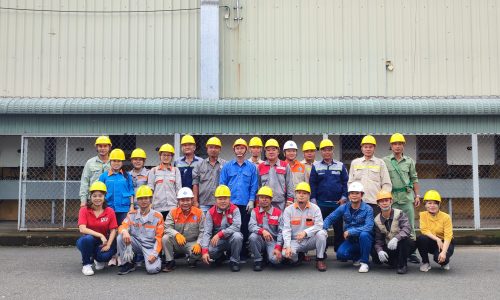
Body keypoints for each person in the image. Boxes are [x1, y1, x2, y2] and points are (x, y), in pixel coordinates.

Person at [383, 133, 421, 264]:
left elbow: (414, 179)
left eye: (400, 144)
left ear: (403, 145)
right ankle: (392, 251)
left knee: (410, 225)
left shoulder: (409, 161)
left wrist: (417, 195)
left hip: (406, 198)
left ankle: (412, 253)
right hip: (392, 198)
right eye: (395, 144)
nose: (397, 146)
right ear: (391, 146)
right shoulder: (385, 161)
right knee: (392, 225)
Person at [219, 138, 258, 262]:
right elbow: (222, 185)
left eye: (242, 148)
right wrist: (224, 202)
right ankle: (231, 252)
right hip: (231, 204)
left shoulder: (252, 167)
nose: (239, 150)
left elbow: (254, 185)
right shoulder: (227, 167)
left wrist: (251, 200)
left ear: (246, 150)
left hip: (245, 204)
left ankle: (243, 254)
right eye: (237, 148)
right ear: (234, 150)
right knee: (230, 228)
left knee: (244, 228)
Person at [323, 182, 374, 273]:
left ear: (361, 195)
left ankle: (365, 262)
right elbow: (330, 218)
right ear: (349, 195)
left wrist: (351, 232)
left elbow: (369, 227)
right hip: (351, 240)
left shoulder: (368, 209)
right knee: (341, 255)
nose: (354, 195)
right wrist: (323, 229)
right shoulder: (344, 207)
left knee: (364, 234)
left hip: (364, 239)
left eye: (357, 193)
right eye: (351, 193)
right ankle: (358, 256)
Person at [309, 138, 349, 253]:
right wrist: (313, 199)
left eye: (329, 150)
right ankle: (322, 251)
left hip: (337, 203)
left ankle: (339, 250)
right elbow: (313, 184)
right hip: (320, 203)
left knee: (338, 228)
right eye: (324, 150)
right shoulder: (316, 166)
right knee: (322, 228)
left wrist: (344, 198)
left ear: (332, 151)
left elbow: (345, 183)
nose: (327, 152)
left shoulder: (340, 165)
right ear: (321, 152)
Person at [116, 185, 164, 275]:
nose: (143, 201)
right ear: (137, 200)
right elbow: (122, 226)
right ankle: (127, 263)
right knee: (120, 237)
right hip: (136, 243)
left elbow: (159, 238)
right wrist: (125, 231)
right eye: (140, 198)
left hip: (150, 246)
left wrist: (154, 254)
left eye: (146, 198)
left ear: (150, 199)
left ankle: (159, 258)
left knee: (153, 269)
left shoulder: (158, 216)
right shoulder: (132, 214)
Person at [282, 182, 328, 272]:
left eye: (304, 193)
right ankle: (299, 257)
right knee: (285, 254)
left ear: (309, 195)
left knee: (322, 234)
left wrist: (306, 232)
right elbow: (286, 229)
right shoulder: (288, 210)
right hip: (295, 241)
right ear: (295, 194)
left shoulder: (315, 208)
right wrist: (287, 246)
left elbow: (319, 225)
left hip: (310, 240)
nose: (301, 195)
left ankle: (320, 259)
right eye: (299, 193)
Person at [76, 181, 117, 276]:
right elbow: (82, 229)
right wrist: (100, 235)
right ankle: (86, 264)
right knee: (88, 239)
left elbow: (113, 230)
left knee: (105, 256)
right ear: (90, 196)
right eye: (94, 196)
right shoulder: (84, 210)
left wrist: (109, 245)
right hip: (87, 241)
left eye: (100, 195)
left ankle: (97, 258)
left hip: (103, 242)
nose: (97, 198)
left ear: (104, 197)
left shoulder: (109, 211)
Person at [201, 185, 244, 272]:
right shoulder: (210, 212)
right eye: (220, 199)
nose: (223, 201)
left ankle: (235, 261)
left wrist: (220, 234)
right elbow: (207, 232)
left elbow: (237, 226)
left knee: (238, 236)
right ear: (216, 200)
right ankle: (220, 256)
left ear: (229, 199)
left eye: (225, 198)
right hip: (218, 241)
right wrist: (204, 251)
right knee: (209, 250)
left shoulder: (235, 209)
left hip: (231, 238)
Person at [162, 187, 205, 272]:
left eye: (188, 200)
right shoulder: (172, 212)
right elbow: (167, 227)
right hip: (177, 242)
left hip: (192, 243)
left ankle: (191, 260)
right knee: (165, 238)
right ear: (178, 201)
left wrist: (199, 244)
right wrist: (176, 234)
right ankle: (170, 261)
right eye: (182, 200)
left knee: (198, 252)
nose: (185, 203)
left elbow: (203, 231)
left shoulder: (199, 213)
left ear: (192, 200)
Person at [348, 135, 392, 215]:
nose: (368, 149)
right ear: (362, 148)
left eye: (370, 147)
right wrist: (352, 199)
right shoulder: (355, 163)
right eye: (365, 147)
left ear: (374, 148)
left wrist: (382, 200)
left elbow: (386, 184)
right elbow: (351, 183)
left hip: (375, 202)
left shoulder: (380, 163)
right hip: (358, 203)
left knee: (375, 226)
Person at [373, 190, 414, 274]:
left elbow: (407, 228)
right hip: (390, 246)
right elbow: (378, 239)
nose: (384, 203)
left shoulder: (399, 213)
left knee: (406, 241)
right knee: (374, 251)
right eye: (381, 201)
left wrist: (396, 238)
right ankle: (394, 262)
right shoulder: (376, 220)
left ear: (391, 201)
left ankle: (403, 265)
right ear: (378, 204)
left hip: (402, 244)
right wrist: (379, 250)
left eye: (386, 200)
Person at [417, 190, 454, 272]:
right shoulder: (423, 215)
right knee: (421, 238)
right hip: (433, 241)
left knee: (440, 258)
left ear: (439, 204)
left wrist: (443, 252)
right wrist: (437, 239)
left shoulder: (446, 217)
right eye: (429, 203)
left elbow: (448, 236)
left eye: (435, 203)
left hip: (445, 242)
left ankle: (445, 262)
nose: (432, 206)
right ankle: (425, 262)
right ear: (425, 205)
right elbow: (424, 230)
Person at [248, 186, 283, 271]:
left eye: (267, 198)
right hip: (260, 239)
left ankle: (268, 255)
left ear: (271, 200)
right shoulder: (254, 211)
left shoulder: (278, 212)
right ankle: (258, 260)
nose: (264, 200)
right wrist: (262, 231)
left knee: (275, 260)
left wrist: (278, 247)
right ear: (258, 199)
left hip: (272, 241)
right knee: (252, 237)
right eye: (262, 197)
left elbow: (281, 231)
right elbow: (251, 226)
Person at [98, 148, 134, 226]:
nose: (116, 163)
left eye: (119, 161)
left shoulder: (127, 176)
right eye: (114, 161)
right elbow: (99, 193)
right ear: (110, 161)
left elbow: (131, 192)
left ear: (122, 162)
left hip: (124, 209)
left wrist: (131, 206)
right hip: (108, 208)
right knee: (109, 230)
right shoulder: (104, 176)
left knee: (123, 229)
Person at [147, 143, 182, 220]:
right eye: (164, 155)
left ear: (172, 157)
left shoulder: (176, 171)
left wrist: (179, 203)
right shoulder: (153, 171)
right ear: (160, 156)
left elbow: (178, 189)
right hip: (157, 206)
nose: (166, 157)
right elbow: (150, 189)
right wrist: (149, 204)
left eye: (168, 155)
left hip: (172, 206)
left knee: (171, 229)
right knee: (159, 229)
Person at [258, 139, 295, 210]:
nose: (271, 152)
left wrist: (290, 200)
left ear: (278, 151)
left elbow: (289, 184)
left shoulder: (285, 165)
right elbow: (258, 186)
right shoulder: (260, 166)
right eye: (268, 150)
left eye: (273, 149)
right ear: (265, 153)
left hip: (281, 204)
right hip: (264, 204)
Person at [192, 136, 226, 213]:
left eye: (216, 147)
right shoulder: (199, 165)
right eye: (211, 147)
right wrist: (195, 201)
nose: (213, 150)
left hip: (220, 202)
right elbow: (195, 184)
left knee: (219, 225)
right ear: (207, 149)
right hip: (203, 203)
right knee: (204, 224)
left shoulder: (225, 165)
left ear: (220, 150)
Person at [79, 136, 111, 208]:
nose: (103, 148)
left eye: (105, 146)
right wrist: (83, 201)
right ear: (96, 147)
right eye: (100, 146)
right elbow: (85, 182)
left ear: (109, 147)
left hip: (110, 199)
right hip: (94, 199)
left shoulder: (114, 162)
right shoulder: (90, 162)